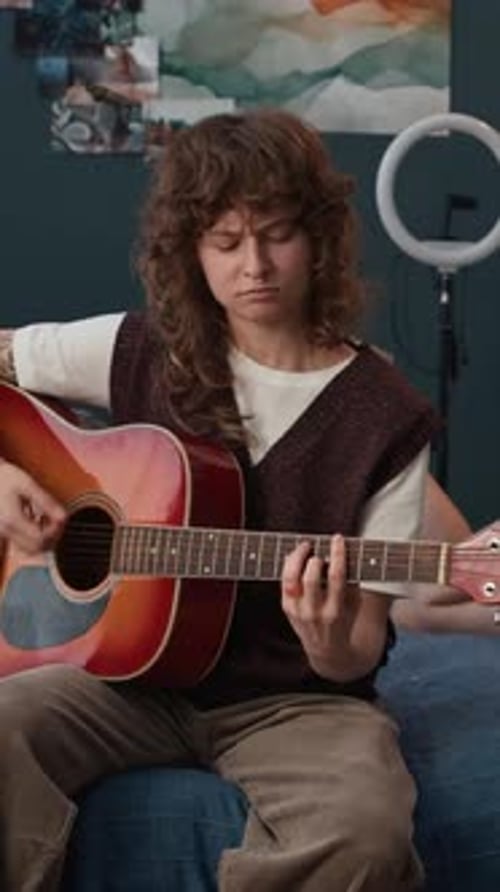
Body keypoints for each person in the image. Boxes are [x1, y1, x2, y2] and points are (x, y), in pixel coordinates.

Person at [0, 108, 460, 892]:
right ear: (191, 250)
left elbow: (358, 646)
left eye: (278, 234)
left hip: (296, 705)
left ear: (318, 238)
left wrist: (327, 642)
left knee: (367, 832)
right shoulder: (138, 348)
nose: (255, 265)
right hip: (126, 679)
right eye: (225, 241)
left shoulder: (388, 415)